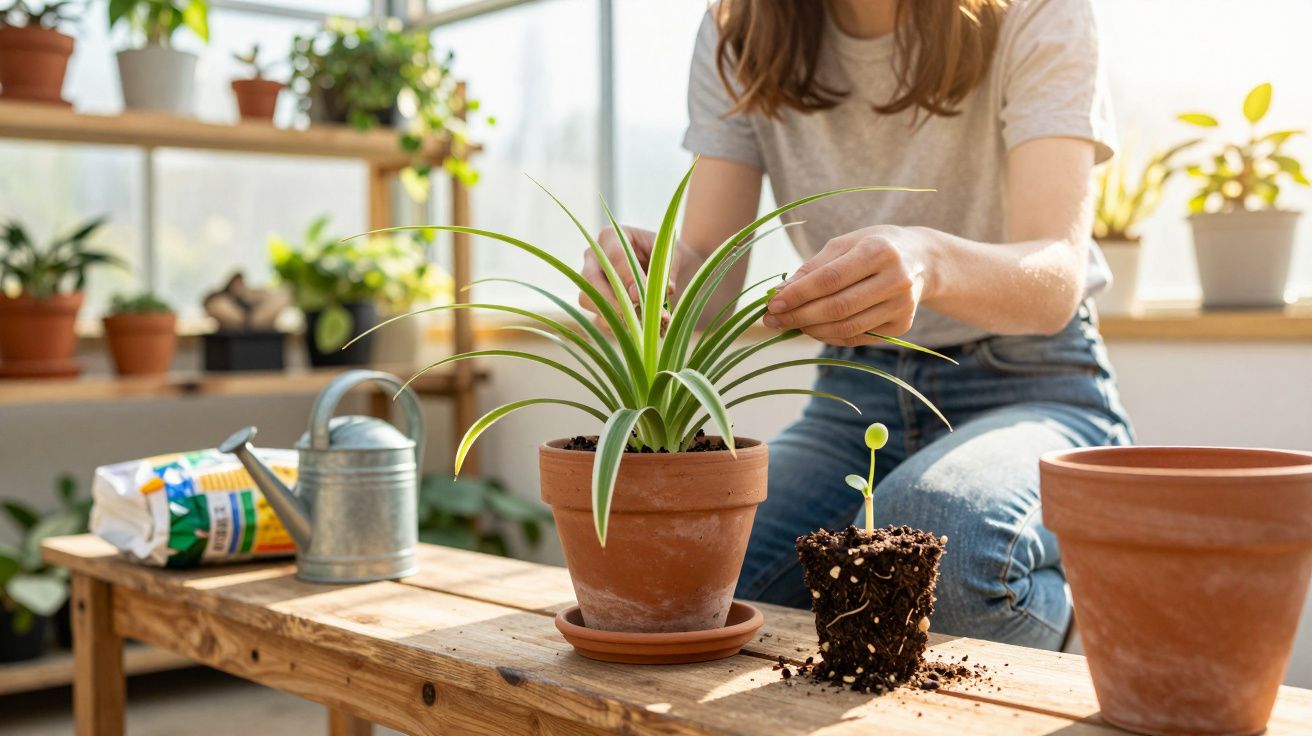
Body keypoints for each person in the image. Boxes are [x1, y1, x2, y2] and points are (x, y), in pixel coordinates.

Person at [579, 0, 1132, 651]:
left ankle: (1095, 613)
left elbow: (1056, 280)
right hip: (854, 395)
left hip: (1029, 384)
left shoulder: (1036, 12)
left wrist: (931, 260)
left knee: (926, 548)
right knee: (690, 566)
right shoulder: (743, 29)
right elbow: (712, 285)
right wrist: (655, 275)